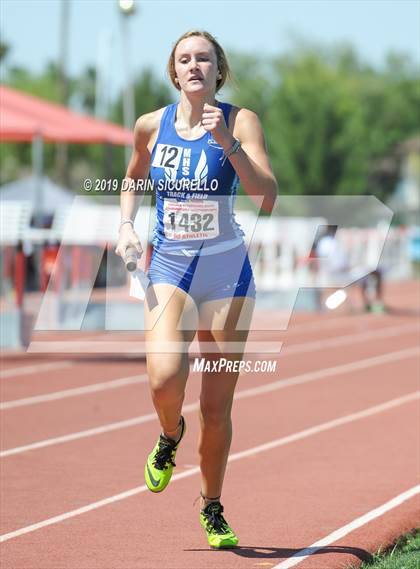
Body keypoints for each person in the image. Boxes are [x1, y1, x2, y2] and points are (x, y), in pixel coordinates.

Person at [115, 30, 277, 549]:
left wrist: (228, 145)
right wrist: (125, 226)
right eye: (184, 59)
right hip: (170, 266)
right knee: (165, 379)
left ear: (218, 70)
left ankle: (212, 505)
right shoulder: (151, 125)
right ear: (173, 71)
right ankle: (169, 436)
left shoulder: (239, 121)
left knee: (215, 408)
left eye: (203, 58)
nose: (194, 66)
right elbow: (132, 177)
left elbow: (267, 197)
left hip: (227, 272)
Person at [315, 225, 386, 313]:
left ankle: (368, 303)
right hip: (341, 274)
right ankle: (374, 303)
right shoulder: (332, 243)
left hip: (331, 273)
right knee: (374, 272)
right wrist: (349, 267)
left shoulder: (324, 242)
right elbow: (338, 264)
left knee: (367, 272)